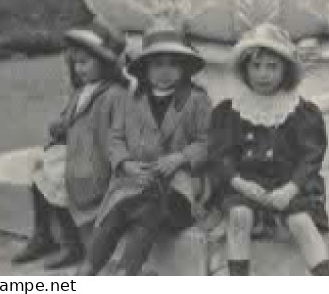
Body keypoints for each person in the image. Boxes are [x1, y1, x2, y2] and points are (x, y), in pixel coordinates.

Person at [80, 24, 212, 276]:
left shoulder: (196, 99)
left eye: (173, 64)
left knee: (150, 204)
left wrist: (181, 157)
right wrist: (126, 164)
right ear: (145, 69)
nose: (165, 72)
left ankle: (125, 272)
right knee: (118, 211)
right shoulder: (132, 99)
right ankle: (88, 269)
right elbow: (115, 139)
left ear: (184, 68)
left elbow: (208, 141)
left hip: (178, 187)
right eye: (157, 64)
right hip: (137, 180)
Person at [209, 22, 329, 275]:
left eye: (271, 67)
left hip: (288, 182)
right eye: (256, 66)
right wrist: (241, 184)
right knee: (239, 216)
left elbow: (312, 155)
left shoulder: (298, 111)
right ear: (245, 69)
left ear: (285, 71)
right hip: (247, 182)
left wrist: (290, 189)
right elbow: (221, 154)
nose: (263, 74)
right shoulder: (232, 110)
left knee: (300, 221)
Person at [14, 21, 126, 269]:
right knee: (40, 172)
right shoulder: (82, 91)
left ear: (105, 64)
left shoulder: (114, 95)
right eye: (76, 63)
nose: (80, 68)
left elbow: (114, 133)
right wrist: (61, 125)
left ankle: (72, 244)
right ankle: (42, 234)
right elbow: (70, 118)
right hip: (75, 150)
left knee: (65, 179)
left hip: (94, 155)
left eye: (85, 62)